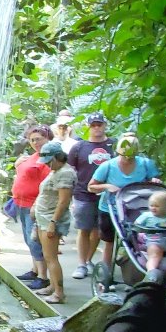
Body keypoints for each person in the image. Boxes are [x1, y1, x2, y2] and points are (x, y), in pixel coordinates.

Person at [87, 131, 161, 273]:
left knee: (138, 240)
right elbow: (91, 187)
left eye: (130, 157)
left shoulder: (146, 164)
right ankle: (106, 272)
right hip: (110, 209)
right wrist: (107, 186)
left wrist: (155, 181)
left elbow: (155, 183)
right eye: (124, 156)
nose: (127, 159)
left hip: (136, 209)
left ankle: (139, 270)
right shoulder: (108, 166)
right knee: (109, 242)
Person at [66, 112, 114, 279]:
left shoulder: (113, 145)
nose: (96, 128)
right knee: (84, 229)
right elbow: (70, 171)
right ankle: (81, 264)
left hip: (108, 195)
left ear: (105, 125)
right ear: (88, 127)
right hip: (83, 193)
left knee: (98, 231)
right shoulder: (79, 147)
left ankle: (88, 260)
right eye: (93, 125)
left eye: (99, 124)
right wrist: (69, 196)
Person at [10, 124, 53, 289]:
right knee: (28, 239)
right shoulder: (33, 156)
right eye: (32, 140)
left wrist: (37, 203)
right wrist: (17, 165)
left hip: (34, 205)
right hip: (21, 203)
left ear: (47, 139)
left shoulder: (48, 159)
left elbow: (48, 185)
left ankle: (43, 277)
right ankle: (35, 270)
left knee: (35, 240)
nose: (35, 142)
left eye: (39, 139)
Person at [32, 140, 74, 304]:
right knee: (47, 255)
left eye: (49, 161)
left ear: (58, 157)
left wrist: (53, 222)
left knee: (51, 257)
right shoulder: (56, 171)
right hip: (43, 218)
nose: (47, 164)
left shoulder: (65, 173)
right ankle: (52, 286)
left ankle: (59, 294)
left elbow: (63, 201)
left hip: (51, 219)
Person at [132, 189, 166, 272]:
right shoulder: (146, 216)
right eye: (151, 205)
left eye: (157, 206)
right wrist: (141, 231)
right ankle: (151, 273)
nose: (153, 208)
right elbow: (136, 225)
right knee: (154, 257)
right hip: (154, 242)